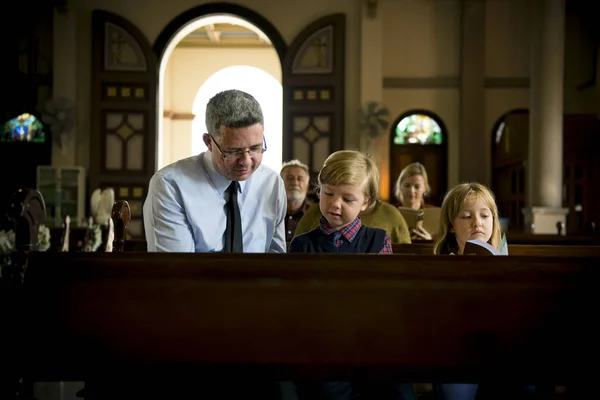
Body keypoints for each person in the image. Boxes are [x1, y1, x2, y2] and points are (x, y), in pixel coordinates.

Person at [290, 150, 416, 400]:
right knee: (328, 389)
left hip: (372, 340)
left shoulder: (378, 240)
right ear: (319, 191)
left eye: (348, 199)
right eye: (328, 193)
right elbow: (298, 305)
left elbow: (386, 299)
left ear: (366, 202)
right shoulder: (302, 244)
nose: (335, 204)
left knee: (399, 390)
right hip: (324, 345)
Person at [143, 89, 287, 254]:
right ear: (209, 142)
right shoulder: (170, 186)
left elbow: (277, 260)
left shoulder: (272, 184)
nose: (246, 161)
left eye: (255, 148)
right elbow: (177, 270)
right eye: (233, 151)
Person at [394, 162, 436, 240]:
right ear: (400, 186)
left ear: (425, 188)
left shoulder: (434, 213)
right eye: (407, 185)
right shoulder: (390, 212)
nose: (412, 190)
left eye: (417, 186)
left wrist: (430, 240)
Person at [280, 159, 311, 242]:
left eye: (300, 179)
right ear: (280, 184)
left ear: (307, 186)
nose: (295, 183)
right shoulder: (268, 212)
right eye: (290, 178)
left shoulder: (316, 216)